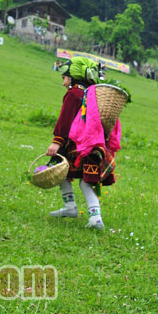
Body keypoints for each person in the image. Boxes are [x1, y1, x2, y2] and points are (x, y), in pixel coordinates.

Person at [46, 57, 118, 230]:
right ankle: (74, 209)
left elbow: (65, 121)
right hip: (96, 146)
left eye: (64, 78)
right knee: (80, 178)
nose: (64, 83)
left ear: (73, 77)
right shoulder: (93, 94)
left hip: (80, 147)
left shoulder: (73, 94)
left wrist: (57, 142)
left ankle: (95, 217)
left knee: (66, 173)